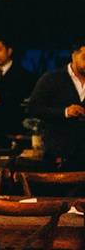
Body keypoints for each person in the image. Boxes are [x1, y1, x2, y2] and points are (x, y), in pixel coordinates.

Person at [27, 40, 85, 168]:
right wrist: (64, 112)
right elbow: (32, 108)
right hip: (58, 157)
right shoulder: (51, 79)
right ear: (74, 55)